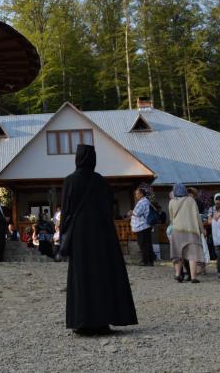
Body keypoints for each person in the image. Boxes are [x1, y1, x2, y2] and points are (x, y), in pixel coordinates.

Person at [60, 144, 137, 335]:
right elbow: (109, 207)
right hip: (102, 234)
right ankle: (102, 320)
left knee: (81, 276)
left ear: (77, 158)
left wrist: (63, 236)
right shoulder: (101, 181)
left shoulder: (70, 180)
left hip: (80, 234)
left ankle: (82, 322)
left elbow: (66, 211)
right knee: (102, 275)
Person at [169, 183, 204, 283]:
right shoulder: (191, 200)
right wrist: (201, 229)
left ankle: (177, 274)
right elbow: (197, 216)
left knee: (178, 253)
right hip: (191, 230)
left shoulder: (172, 202)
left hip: (177, 230)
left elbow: (171, 218)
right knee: (192, 254)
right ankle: (193, 277)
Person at [128, 187, 155, 266]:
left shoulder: (142, 202)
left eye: (137, 194)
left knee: (143, 244)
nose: (136, 195)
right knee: (147, 244)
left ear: (141, 194)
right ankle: (150, 261)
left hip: (142, 226)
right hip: (145, 226)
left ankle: (146, 261)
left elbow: (137, 213)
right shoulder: (145, 201)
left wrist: (131, 212)